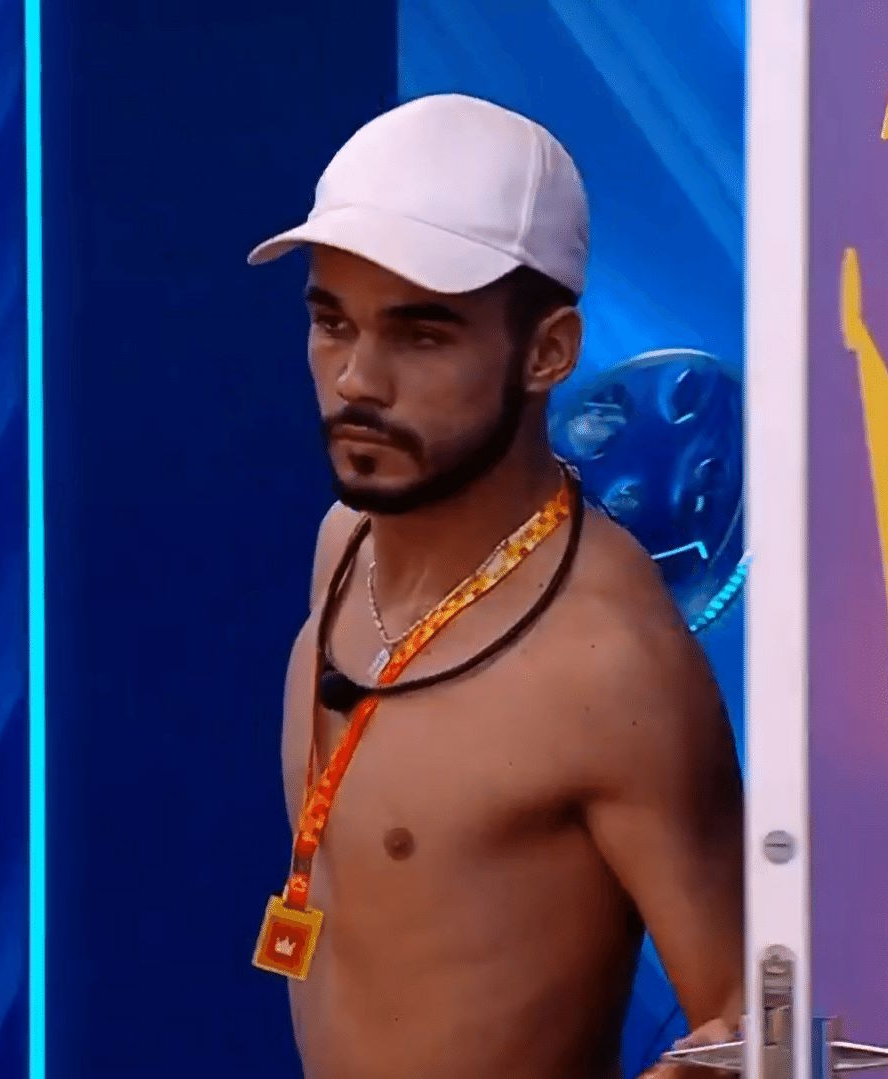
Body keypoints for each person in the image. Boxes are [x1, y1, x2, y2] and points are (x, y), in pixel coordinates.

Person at [247, 93, 744, 1079]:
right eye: (332, 323)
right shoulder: (344, 544)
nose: (355, 380)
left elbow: (750, 1020)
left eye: (420, 336)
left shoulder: (607, 666)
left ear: (548, 351)